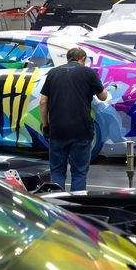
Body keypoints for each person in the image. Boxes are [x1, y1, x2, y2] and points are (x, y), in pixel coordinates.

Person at [40, 47, 109, 192]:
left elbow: (43, 101)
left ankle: (57, 206)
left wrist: (46, 125)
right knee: (79, 172)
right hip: (81, 130)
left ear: (68, 58)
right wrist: (108, 89)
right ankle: (77, 207)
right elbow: (103, 97)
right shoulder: (88, 73)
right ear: (82, 59)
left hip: (57, 130)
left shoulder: (53, 73)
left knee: (57, 171)